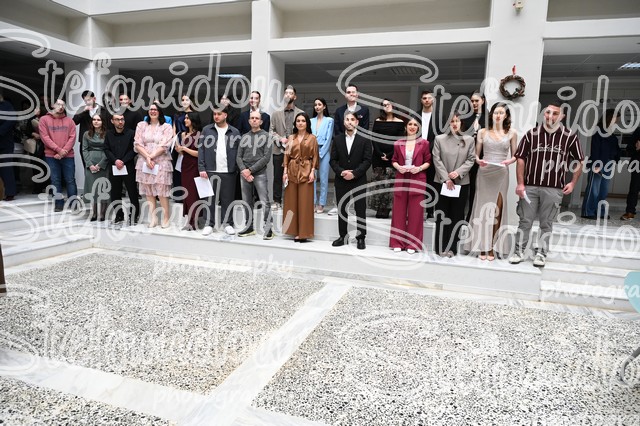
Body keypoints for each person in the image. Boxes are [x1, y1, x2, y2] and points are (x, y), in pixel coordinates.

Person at [509, 100, 584, 267]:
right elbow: (521, 159)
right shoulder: (531, 134)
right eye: (548, 112)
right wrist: (520, 184)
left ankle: (541, 254)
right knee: (525, 221)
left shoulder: (570, 137)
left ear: (562, 116)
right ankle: (518, 251)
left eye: (555, 113)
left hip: (554, 189)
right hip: (530, 187)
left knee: (546, 223)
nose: (550, 116)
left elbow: (579, 160)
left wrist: (572, 183)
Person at [466, 103, 518, 260]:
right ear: (491, 115)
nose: (498, 115)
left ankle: (492, 246)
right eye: (496, 112)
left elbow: (515, 155)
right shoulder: (483, 132)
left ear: (506, 115)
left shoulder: (512, 133)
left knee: (497, 210)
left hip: (501, 173)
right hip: (485, 172)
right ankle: (482, 246)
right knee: (482, 210)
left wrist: (508, 161)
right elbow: (475, 155)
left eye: (501, 113)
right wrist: (478, 161)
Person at [432, 111, 475, 257]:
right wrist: (446, 178)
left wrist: (458, 173)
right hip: (442, 182)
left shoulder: (469, 140)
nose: (454, 124)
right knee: (442, 215)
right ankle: (440, 247)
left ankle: (452, 248)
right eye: (452, 121)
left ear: (461, 123)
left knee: (456, 216)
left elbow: (471, 159)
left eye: (457, 121)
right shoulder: (439, 139)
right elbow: (436, 159)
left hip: (461, 182)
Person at [389, 117, 431, 254]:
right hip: (402, 178)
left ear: (418, 128)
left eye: (415, 125)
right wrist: (398, 167)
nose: (412, 127)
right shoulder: (398, 143)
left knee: (416, 213)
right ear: (405, 127)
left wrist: (419, 168)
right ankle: (397, 242)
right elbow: (394, 160)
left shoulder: (424, 143)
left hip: (417, 178)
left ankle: (413, 244)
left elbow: (428, 161)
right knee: (398, 212)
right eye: (410, 124)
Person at [330, 111, 372, 250]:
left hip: (358, 179)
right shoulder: (337, 139)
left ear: (357, 122)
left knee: (360, 209)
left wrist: (354, 173)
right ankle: (343, 236)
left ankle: (361, 238)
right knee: (342, 209)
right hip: (341, 179)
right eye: (347, 119)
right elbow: (333, 160)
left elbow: (367, 160)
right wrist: (341, 172)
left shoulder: (364, 139)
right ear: (343, 122)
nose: (349, 122)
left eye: (352, 119)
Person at [199, 105, 241, 236]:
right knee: (209, 199)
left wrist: (236, 168)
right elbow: (201, 150)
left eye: (219, 114)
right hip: (210, 169)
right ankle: (209, 224)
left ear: (225, 115)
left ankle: (227, 224)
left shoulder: (234, 132)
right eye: (214, 114)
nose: (216, 116)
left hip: (229, 170)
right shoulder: (207, 130)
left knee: (227, 199)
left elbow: (239, 151)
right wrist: (201, 167)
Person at [134, 103, 174, 228]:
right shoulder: (141, 125)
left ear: (160, 111)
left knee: (162, 190)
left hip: (161, 161)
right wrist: (147, 157)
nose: (153, 111)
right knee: (149, 190)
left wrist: (151, 156)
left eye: (155, 109)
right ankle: (153, 218)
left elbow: (165, 145)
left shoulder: (166, 127)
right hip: (145, 161)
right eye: (151, 109)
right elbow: (137, 143)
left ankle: (166, 218)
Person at [237, 110, 274, 239]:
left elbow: (266, 157)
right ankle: (249, 227)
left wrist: (250, 170)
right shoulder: (244, 137)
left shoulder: (266, 136)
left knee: (264, 202)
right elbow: (238, 157)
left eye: (256, 118)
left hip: (259, 174)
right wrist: (244, 170)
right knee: (246, 202)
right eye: (252, 118)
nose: (254, 120)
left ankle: (268, 228)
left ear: (261, 121)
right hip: (245, 174)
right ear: (249, 121)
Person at [282, 112, 318, 242]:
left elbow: (315, 156)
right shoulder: (291, 137)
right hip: (292, 170)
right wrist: (285, 172)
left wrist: (312, 171)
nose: (300, 123)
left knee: (305, 203)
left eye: (303, 121)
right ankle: (292, 230)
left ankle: (304, 233)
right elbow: (286, 155)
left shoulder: (312, 138)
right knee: (291, 202)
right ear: (295, 123)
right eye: (298, 121)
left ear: (307, 123)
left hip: (306, 170)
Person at [581, 109, 621, 219]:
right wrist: (596, 164)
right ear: (609, 118)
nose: (617, 121)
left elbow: (615, 149)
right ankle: (588, 212)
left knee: (603, 190)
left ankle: (600, 212)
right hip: (598, 163)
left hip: (609, 164)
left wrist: (616, 158)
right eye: (616, 118)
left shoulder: (611, 133)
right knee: (594, 190)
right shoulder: (598, 131)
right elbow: (595, 149)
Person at [39, 98, 77, 212]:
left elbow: (72, 137)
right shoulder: (44, 120)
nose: (61, 107)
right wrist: (59, 150)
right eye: (58, 104)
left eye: (63, 105)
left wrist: (63, 151)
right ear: (52, 105)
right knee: (55, 180)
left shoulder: (69, 121)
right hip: (51, 155)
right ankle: (58, 204)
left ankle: (73, 203)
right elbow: (45, 137)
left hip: (68, 155)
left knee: (70, 180)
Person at [370, 98, 404, 218]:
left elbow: (400, 141)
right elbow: (374, 139)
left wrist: (389, 155)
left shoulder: (400, 122)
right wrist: (380, 154)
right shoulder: (378, 121)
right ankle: (379, 208)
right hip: (377, 156)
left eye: (389, 104)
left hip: (393, 157)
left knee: (390, 184)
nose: (387, 106)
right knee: (378, 183)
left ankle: (387, 208)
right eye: (384, 105)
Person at [105, 110, 140, 225]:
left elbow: (134, 150)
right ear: (112, 121)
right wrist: (115, 160)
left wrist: (123, 161)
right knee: (115, 192)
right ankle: (119, 215)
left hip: (128, 165)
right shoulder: (109, 134)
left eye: (122, 119)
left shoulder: (131, 133)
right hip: (114, 166)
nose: (120, 122)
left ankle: (134, 216)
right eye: (117, 120)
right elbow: (106, 149)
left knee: (132, 192)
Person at [270, 85, 303, 209]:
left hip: (295, 150)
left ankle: (293, 201)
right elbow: (271, 131)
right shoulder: (276, 113)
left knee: (295, 175)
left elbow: (304, 131)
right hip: (279, 149)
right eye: (286, 93)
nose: (288, 95)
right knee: (278, 176)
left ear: (295, 97)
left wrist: (294, 140)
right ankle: (277, 201)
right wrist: (280, 139)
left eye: (291, 93)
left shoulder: (301, 113)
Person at [175, 111, 202, 231]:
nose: (185, 120)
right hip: (185, 166)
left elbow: (199, 153)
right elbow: (184, 153)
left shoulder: (199, 135)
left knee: (193, 194)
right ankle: (189, 220)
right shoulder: (184, 134)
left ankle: (193, 221)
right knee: (187, 193)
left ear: (193, 120)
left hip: (194, 167)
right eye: (185, 118)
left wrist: (184, 149)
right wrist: (179, 150)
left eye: (187, 118)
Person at [463, 91, 487, 221]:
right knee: (463, 186)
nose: (474, 103)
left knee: (476, 187)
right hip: (465, 157)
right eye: (472, 101)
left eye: (476, 101)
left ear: (483, 100)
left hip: (482, 157)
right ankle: (460, 214)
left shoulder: (489, 118)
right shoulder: (466, 118)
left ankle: (472, 216)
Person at [418, 90, 441, 219]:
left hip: (433, 152)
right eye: (424, 98)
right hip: (417, 152)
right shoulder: (416, 115)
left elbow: (440, 135)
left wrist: (428, 148)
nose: (427, 100)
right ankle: (417, 208)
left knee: (432, 182)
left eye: (429, 98)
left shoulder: (439, 116)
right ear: (421, 100)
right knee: (418, 182)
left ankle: (430, 210)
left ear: (433, 100)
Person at [82, 114, 109, 221]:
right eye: (94, 119)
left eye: (98, 120)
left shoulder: (107, 134)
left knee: (103, 188)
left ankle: (102, 213)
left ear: (102, 122)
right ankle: (94, 213)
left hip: (103, 162)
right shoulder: (86, 134)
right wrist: (90, 164)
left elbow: (108, 149)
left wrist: (100, 165)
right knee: (92, 188)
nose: (96, 121)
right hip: (90, 162)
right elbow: (84, 149)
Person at [310, 97, 334, 214]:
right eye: (315, 105)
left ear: (324, 106)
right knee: (312, 178)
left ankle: (322, 203)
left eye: (319, 104)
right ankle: (313, 202)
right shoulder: (311, 120)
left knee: (324, 179)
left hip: (324, 151)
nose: (317, 107)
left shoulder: (329, 120)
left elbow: (329, 138)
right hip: (311, 151)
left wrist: (320, 153)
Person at [73, 90, 110, 165]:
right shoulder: (82, 109)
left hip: (101, 141)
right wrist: (83, 111)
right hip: (86, 141)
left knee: (102, 165)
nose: (87, 102)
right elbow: (74, 122)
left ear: (94, 99)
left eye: (89, 100)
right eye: (85, 100)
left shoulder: (103, 110)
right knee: (87, 165)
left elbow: (108, 125)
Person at [172, 94, 195, 202]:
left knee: (187, 167)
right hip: (177, 141)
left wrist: (184, 146)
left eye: (187, 99)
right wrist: (177, 145)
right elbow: (174, 130)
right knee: (177, 169)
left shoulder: (194, 114)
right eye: (182, 100)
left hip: (189, 140)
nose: (184, 101)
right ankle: (178, 195)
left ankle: (188, 196)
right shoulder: (177, 114)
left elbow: (194, 129)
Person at [620, 126, 640, 221]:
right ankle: (630, 212)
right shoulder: (639, 130)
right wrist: (636, 148)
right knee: (634, 189)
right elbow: (629, 148)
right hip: (637, 165)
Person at [0, 90, 17, 201]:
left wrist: (0, 131)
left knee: (6, 168)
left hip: (5, 143)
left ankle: (10, 192)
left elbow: (12, 120)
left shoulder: (7, 105)